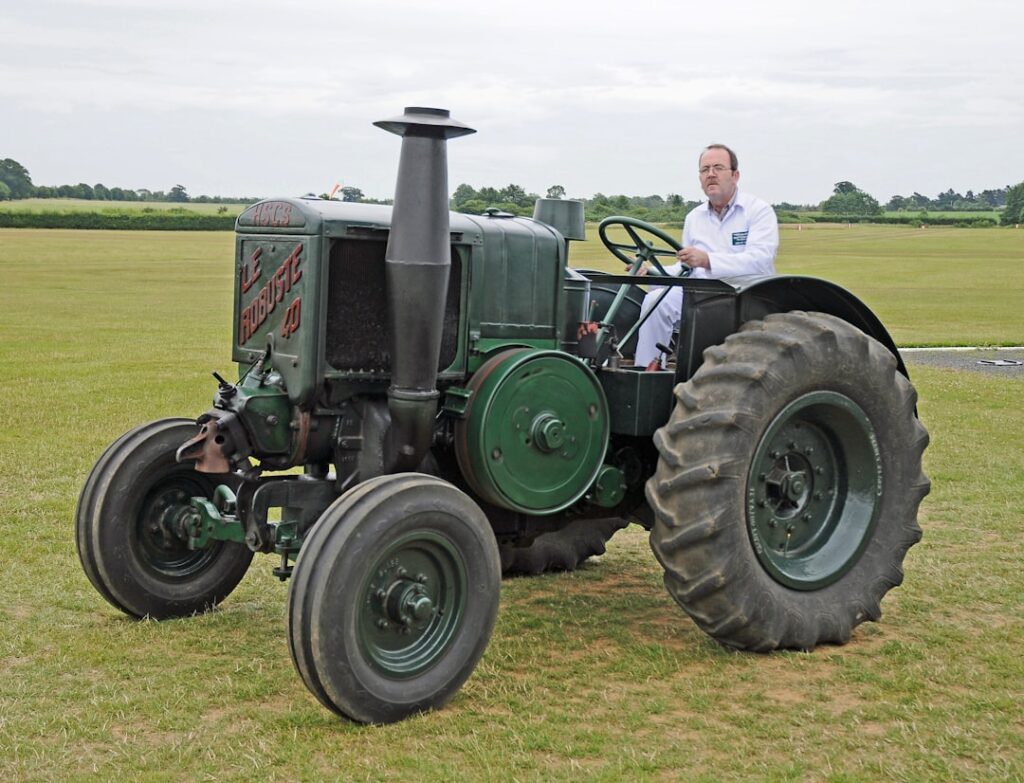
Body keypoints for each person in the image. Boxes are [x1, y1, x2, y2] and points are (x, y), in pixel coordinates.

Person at [632, 144, 779, 368]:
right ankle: (646, 372)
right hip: (700, 293)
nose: (711, 174)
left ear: (735, 175)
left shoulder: (758, 211)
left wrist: (708, 260)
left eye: (718, 168)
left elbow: (760, 260)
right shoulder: (694, 217)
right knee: (655, 300)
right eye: (705, 169)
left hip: (744, 296)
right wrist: (651, 272)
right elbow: (686, 268)